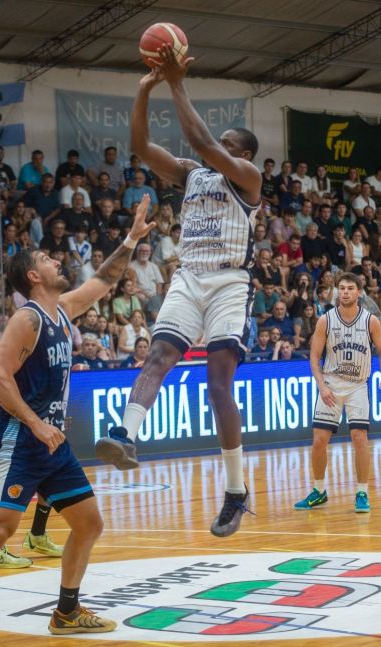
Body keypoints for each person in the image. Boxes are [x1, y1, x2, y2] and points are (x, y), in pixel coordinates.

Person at [0, 194, 154, 645]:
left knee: (89, 523)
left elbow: (104, 280)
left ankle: (66, 611)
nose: (56, 260)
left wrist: (130, 239)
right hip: (21, 440)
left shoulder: (62, 310)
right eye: (47, 259)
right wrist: (34, 422)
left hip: (53, 443)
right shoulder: (27, 319)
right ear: (33, 276)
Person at [94, 46, 262, 538]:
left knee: (217, 385)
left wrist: (176, 80)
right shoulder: (192, 174)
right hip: (189, 276)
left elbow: (202, 140)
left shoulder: (249, 179)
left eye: (228, 143)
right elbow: (142, 146)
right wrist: (144, 91)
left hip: (230, 281)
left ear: (243, 155)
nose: (217, 146)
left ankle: (235, 491)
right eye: (220, 142)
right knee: (158, 355)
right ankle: (125, 435)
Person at [294, 273, 381, 513]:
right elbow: (314, 357)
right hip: (332, 384)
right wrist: (322, 386)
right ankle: (319, 491)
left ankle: (362, 492)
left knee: (360, 437)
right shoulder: (325, 320)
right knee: (319, 440)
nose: (345, 292)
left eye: (350, 288)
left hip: (358, 385)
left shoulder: (370, 321)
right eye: (342, 288)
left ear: (358, 292)